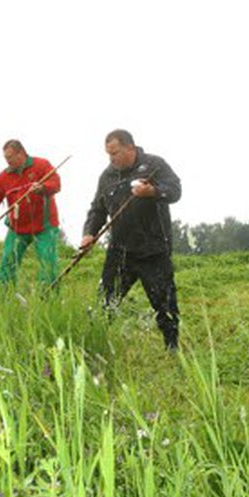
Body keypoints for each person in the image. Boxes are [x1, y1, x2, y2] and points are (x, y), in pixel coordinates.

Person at [81, 129, 182, 351]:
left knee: (164, 303)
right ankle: (94, 347)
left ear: (130, 148)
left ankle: (173, 348)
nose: (111, 159)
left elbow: (175, 190)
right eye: (108, 154)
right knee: (105, 301)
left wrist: (153, 191)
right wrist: (89, 233)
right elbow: (97, 209)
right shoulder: (107, 176)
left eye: (115, 153)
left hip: (153, 249)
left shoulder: (154, 165)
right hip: (119, 250)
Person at [0, 139, 61, 285]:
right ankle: (4, 294)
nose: (8, 161)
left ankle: (48, 294)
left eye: (10, 157)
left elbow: (56, 183)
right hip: (17, 227)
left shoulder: (41, 165)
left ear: (21, 153)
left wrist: (43, 187)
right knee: (8, 263)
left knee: (49, 264)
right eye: (6, 158)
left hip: (44, 226)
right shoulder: (3, 177)